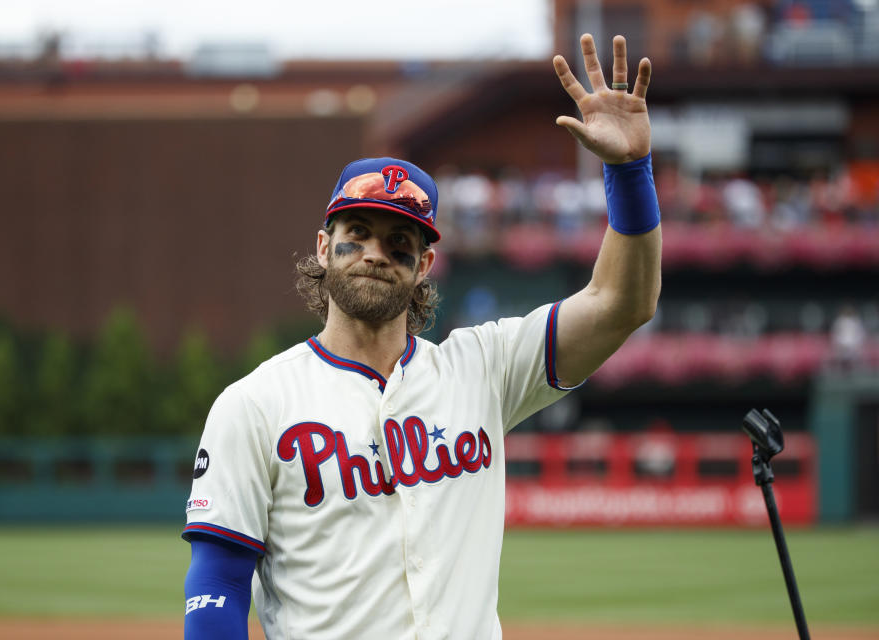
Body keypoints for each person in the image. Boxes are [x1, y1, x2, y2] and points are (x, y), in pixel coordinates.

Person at [182, 33, 661, 640]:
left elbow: (623, 302)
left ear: (424, 266)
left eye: (400, 242)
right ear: (324, 247)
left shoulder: (483, 370)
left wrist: (629, 171)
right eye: (357, 232)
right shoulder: (254, 405)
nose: (376, 254)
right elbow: (218, 587)